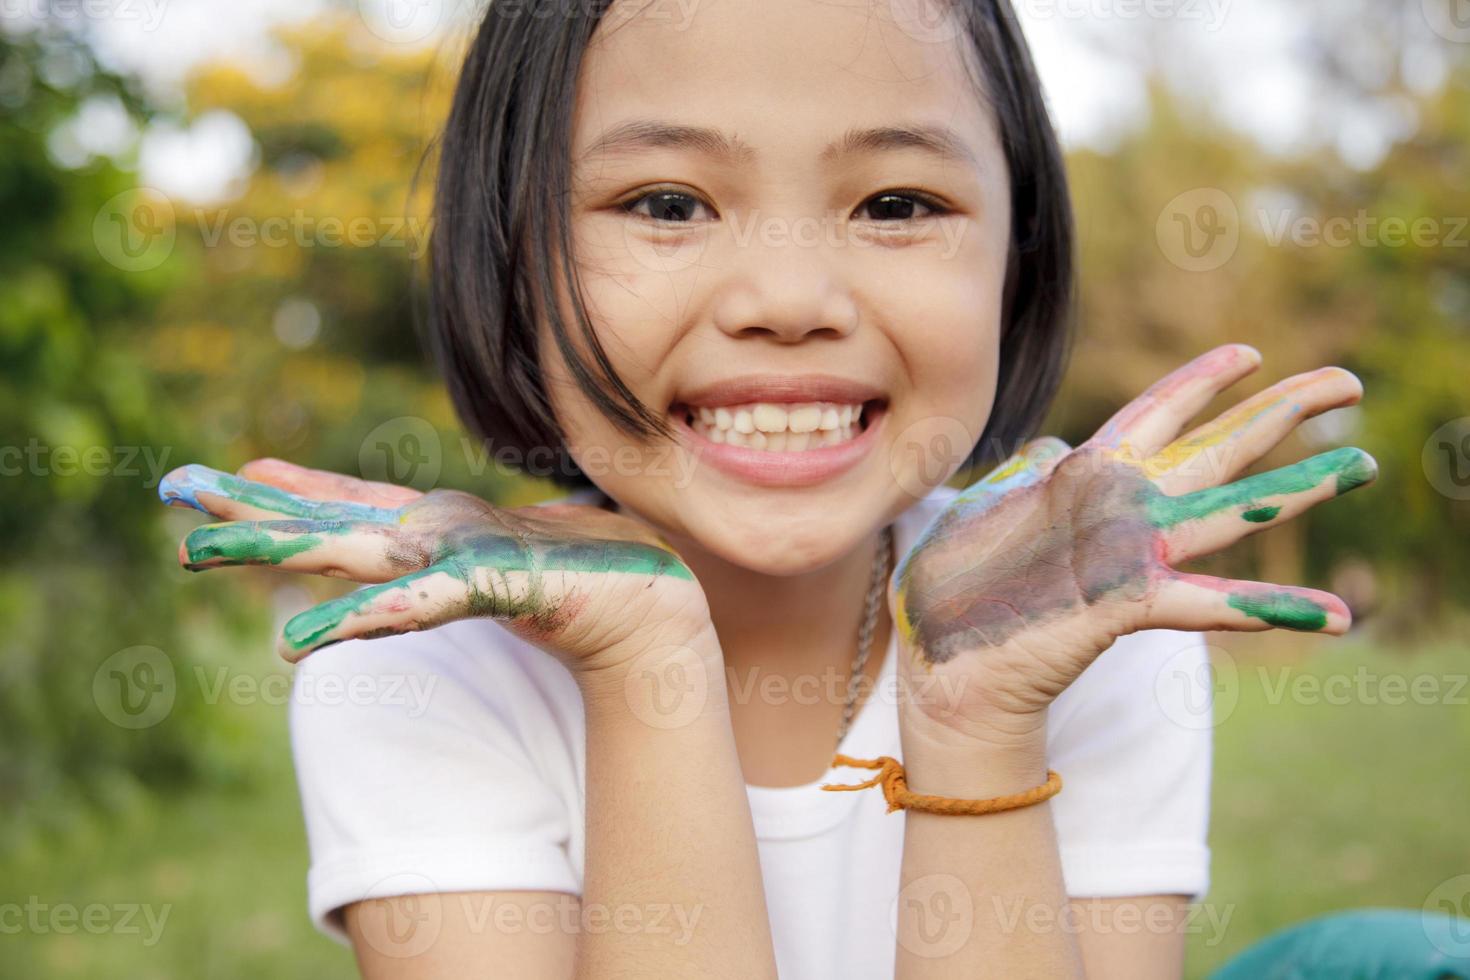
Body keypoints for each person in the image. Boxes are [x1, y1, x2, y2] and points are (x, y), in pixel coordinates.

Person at [157, 0, 1378, 976]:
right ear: (509, 256)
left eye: (898, 204)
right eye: (667, 203)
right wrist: (646, 666)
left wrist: (977, 721)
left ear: (1022, 255)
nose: (789, 300)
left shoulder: (1076, 623)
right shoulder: (419, 661)